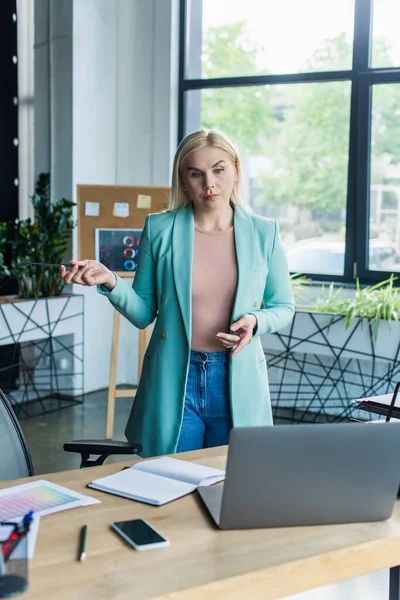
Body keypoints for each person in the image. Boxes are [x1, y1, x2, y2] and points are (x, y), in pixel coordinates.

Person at [60, 128, 294, 457]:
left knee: (229, 485)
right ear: (183, 180)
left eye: (219, 169)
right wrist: (109, 281)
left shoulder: (264, 232)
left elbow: (284, 306)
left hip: (235, 378)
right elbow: (143, 313)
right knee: (171, 480)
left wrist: (255, 320)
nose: (209, 184)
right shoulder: (160, 228)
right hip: (174, 379)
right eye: (196, 173)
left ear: (236, 170)